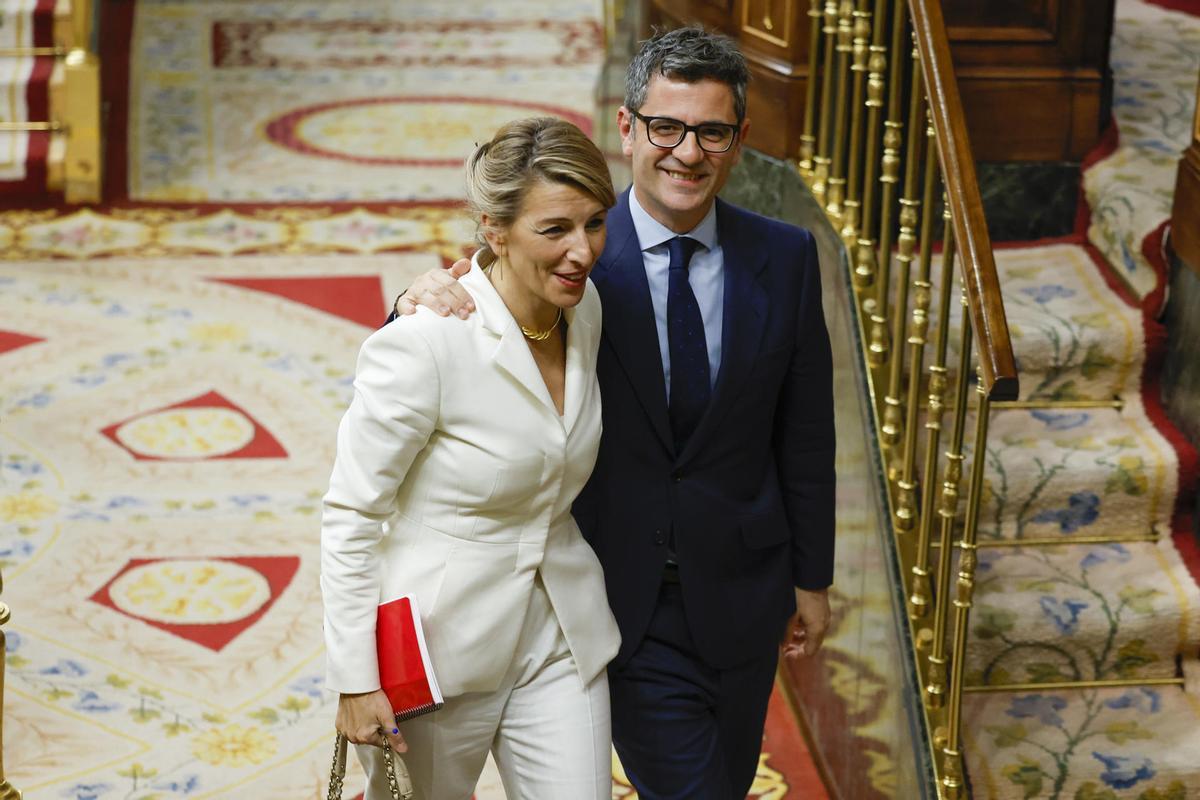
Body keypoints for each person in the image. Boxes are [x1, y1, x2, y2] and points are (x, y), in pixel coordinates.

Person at [397, 26, 835, 799]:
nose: (687, 153)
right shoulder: (575, 257)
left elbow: (803, 432)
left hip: (742, 591)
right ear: (628, 127)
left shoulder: (787, 257)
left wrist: (811, 576)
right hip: (616, 597)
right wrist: (411, 304)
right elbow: (458, 338)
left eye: (711, 131)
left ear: (739, 140)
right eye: (666, 127)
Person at [321, 116, 622, 800]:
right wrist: (355, 678)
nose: (583, 251)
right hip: (435, 649)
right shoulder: (428, 340)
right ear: (493, 229)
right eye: (555, 230)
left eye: (595, 223)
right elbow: (351, 513)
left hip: (559, 632)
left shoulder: (586, 308)